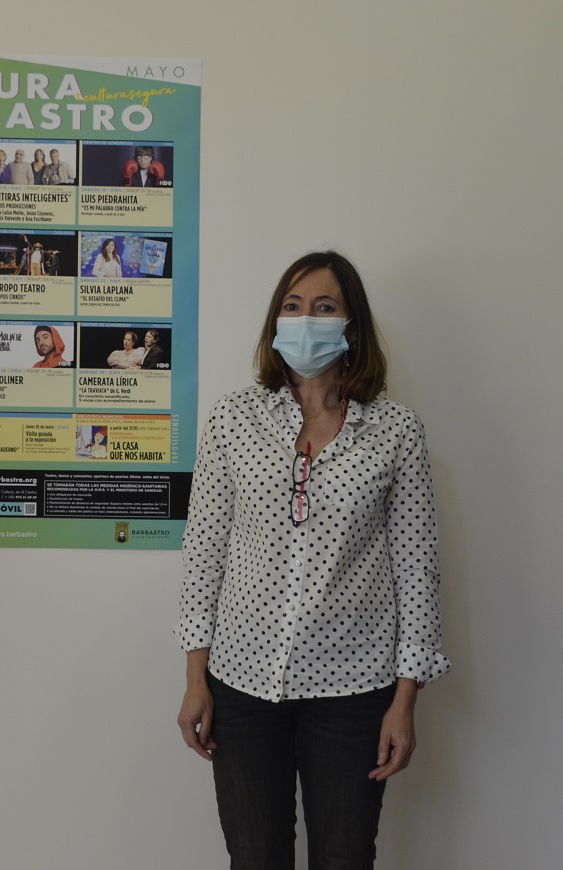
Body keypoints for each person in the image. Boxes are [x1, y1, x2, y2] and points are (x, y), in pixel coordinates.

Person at [176, 251, 450, 869]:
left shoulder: (397, 432)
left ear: (351, 325)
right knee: (255, 857)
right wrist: (196, 679)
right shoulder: (233, 419)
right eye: (293, 307)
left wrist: (406, 700)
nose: (306, 320)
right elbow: (204, 555)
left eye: (324, 308)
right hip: (243, 685)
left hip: (354, 692)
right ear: (276, 323)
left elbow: (416, 571)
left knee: (346, 858)